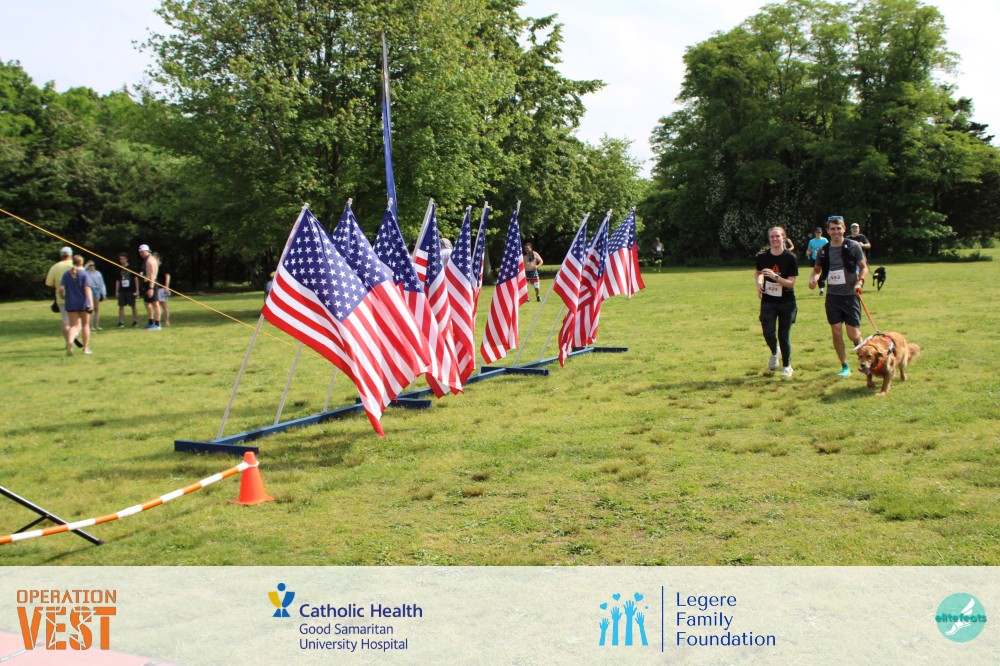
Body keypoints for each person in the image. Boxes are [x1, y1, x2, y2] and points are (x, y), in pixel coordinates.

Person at [808, 215, 869, 377]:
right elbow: (817, 270)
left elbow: (863, 267)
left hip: (850, 295)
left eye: (838, 228)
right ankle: (844, 366)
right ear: (828, 231)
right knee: (836, 331)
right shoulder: (823, 251)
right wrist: (813, 279)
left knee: (852, 334)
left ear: (844, 229)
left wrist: (860, 282)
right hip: (833, 297)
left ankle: (861, 346)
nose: (836, 232)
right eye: (832, 229)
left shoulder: (853, 246)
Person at [755, 227, 798, 377]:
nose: (774, 239)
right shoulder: (762, 256)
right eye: (772, 237)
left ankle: (787, 366)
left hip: (787, 302)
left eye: (777, 236)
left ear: (783, 238)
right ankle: (774, 352)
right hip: (768, 301)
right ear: (769, 239)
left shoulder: (790, 258)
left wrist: (775, 277)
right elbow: (758, 272)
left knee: (783, 334)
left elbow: (790, 283)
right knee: (768, 332)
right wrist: (759, 283)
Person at [60, 255, 94, 355]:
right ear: (81, 263)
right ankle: (85, 348)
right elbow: (87, 289)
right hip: (83, 302)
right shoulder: (84, 274)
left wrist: (62, 296)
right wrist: (91, 302)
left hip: (71, 302)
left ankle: (70, 343)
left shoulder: (66, 274)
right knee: (85, 325)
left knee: (73, 326)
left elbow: (61, 288)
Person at [44, 246, 75, 346]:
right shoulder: (74, 265)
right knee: (76, 320)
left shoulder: (55, 267)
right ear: (71, 255)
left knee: (65, 320)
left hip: (61, 297)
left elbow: (49, 283)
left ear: (61, 256)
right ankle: (74, 337)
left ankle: (68, 342)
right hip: (76, 297)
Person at [138, 244, 161, 330]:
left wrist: (151, 288)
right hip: (147, 283)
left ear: (147, 251)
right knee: (146, 303)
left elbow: (152, 275)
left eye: (142, 252)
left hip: (152, 284)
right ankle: (151, 322)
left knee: (155, 303)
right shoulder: (146, 260)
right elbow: (147, 272)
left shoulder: (150, 261)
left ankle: (158, 325)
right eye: (140, 252)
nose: (141, 254)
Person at [116, 252, 139, 328]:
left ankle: (135, 321)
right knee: (121, 306)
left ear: (127, 259)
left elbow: (135, 279)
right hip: (122, 290)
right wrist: (117, 291)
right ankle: (121, 322)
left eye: (123, 259)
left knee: (133, 306)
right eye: (120, 259)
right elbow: (117, 280)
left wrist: (137, 290)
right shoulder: (119, 268)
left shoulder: (132, 268)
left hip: (131, 290)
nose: (122, 260)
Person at [84, 260, 107, 330]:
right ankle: (91, 326)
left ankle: (97, 325)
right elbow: (81, 272)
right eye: (90, 265)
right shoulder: (86, 273)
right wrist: (86, 266)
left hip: (97, 290)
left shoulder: (98, 273)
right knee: (90, 308)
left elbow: (101, 283)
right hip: (90, 289)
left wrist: (104, 293)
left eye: (93, 265)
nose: (92, 267)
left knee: (96, 308)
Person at [805, 227, 829, 295]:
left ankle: (824, 280)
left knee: (824, 274)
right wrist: (808, 252)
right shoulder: (811, 241)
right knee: (817, 273)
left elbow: (828, 248)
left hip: (824, 259)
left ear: (821, 233)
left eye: (819, 232)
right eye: (817, 232)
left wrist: (821, 250)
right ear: (815, 233)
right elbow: (809, 249)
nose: (818, 234)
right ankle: (821, 289)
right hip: (815, 259)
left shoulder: (824, 240)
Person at [154, 252, 172, 326]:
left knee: (164, 305)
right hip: (155, 288)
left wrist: (166, 287)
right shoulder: (153, 267)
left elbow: (167, 276)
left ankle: (166, 321)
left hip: (162, 289)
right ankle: (157, 321)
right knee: (156, 305)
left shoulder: (164, 266)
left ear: (158, 258)